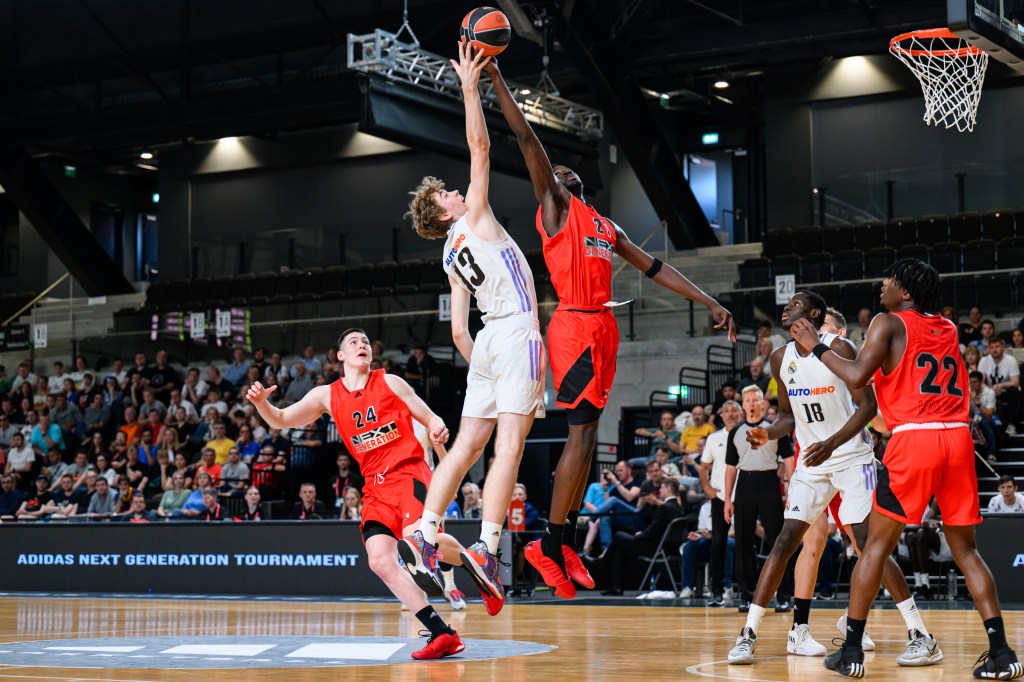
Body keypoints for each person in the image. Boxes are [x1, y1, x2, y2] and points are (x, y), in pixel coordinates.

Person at [485, 55, 735, 600]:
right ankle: (546, 545)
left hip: (603, 326)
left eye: (567, 172)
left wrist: (709, 298)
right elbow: (528, 139)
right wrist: (498, 76)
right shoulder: (555, 208)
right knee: (577, 436)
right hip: (573, 325)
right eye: (554, 172)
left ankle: (566, 538)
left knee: (591, 436)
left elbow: (654, 266)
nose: (560, 173)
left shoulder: (602, 223)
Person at [788, 259, 1021, 679]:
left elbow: (859, 376)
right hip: (957, 436)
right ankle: (1002, 653)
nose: (883, 284)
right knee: (966, 549)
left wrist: (817, 346)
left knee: (875, 545)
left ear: (907, 292)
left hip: (916, 439)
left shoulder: (888, 321)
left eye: (891, 280)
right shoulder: (948, 328)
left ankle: (852, 651)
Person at [401, 42, 547, 617]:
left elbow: (458, 334)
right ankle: (486, 548)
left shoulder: (448, 258)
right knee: (508, 446)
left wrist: (484, 359)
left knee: (466, 446)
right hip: (514, 333)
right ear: (444, 214)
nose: (456, 192)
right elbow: (480, 145)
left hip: (484, 342)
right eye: (447, 195)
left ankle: (424, 530)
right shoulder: (476, 219)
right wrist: (469, 85)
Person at [246, 327, 488, 660]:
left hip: (409, 473)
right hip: (375, 485)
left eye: (365, 342)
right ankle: (442, 633)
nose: (362, 345)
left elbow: (430, 416)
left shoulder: (390, 382)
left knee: (413, 539)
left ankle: (472, 560)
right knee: (380, 560)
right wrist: (262, 403)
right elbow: (280, 421)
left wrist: (437, 426)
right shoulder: (326, 395)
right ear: (340, 356)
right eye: (353, 342)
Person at [728, 291, 935, 666]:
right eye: (786, 304)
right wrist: (768, 434)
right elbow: (789, 417)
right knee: (784, 541)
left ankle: (920, 633)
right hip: (813, 463)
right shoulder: (780, 358)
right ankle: (748, 634)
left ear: (815, 314)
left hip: (852, 457)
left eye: (796, 303)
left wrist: (832, 442)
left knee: (868, 545)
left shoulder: (838, 346)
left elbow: (868, 406)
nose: (787, 307)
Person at [699, 399, 742, 605]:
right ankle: (717, 590)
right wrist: (707, 488)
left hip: (743, 496)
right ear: (721, 415)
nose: (731, 413)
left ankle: (746, 591)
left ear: (740, 413)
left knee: (744, 544)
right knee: (718, 544)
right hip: (720, 498)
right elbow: (703, 466)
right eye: (727, 411)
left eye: (734, 410)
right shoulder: (713, 438)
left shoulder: (748, 435)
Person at [679, 500, 735, 599]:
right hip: (709, 540)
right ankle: (687, 587)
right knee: (689, 547)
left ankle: (727, 587)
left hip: (729, 539)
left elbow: (736, 531)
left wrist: (715, 535)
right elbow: (702, 530)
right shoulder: (705, 506)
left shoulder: (732, 504)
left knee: (725, 543)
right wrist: (698, 535)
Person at [979, 337, 1020, 436]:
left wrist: (1001, 386)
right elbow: (980, 381)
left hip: (1007, 391)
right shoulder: (984, 361)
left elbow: (1015, 382)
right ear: (988, 349)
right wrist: (990, 391)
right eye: (991, 347)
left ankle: (1012, 425)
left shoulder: (1011, 360)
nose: (994, 349)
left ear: (1003, 348)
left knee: (1014, 392)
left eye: (997, 346)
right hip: (989, 391)